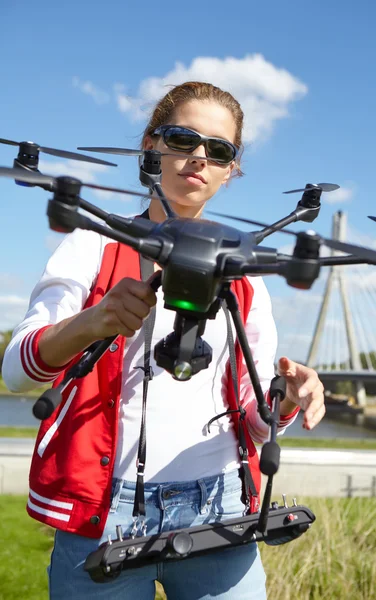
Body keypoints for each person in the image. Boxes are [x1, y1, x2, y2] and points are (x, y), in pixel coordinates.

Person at [2, 81, 325, 600]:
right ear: (151, 146)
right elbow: (17, 371)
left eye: (219, 150)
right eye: (182, 139)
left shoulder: (245, 278)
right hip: (103, 512)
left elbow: (255, 422)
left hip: (219, 510)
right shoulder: (92, 244)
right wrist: (95, 320)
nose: (199, 157)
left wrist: (286, 399)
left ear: (230, 170)